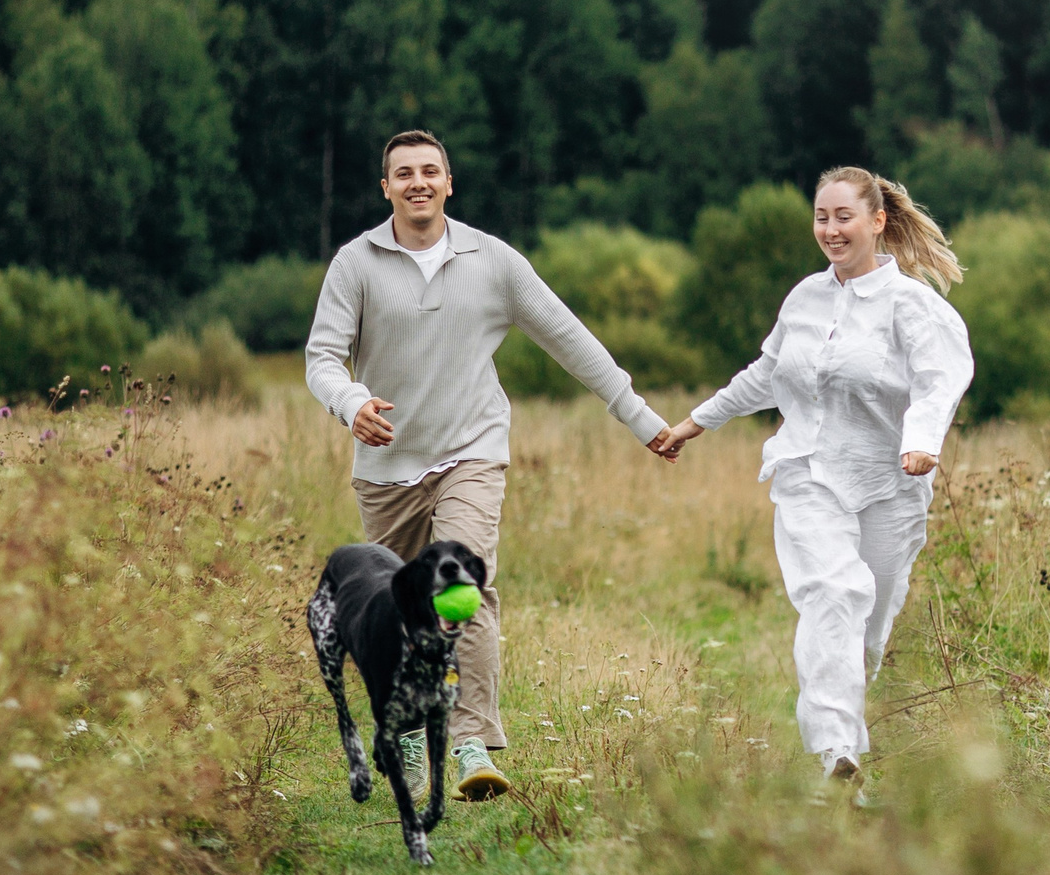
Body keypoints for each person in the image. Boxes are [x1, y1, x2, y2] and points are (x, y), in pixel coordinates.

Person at [305, 129, 676, 802]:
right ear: (386, 188)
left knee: (461, 586)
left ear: (449, 183)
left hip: (470, 452)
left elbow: (571, 340)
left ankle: (472, 741)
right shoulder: (356, 264)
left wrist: (641, 418)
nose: (418, 182)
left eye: (430, 171)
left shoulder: (493, 261)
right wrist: (351, 402)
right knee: (398, 608)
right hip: (387, 467)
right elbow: (322, 358)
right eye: (404, 174)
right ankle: (411, 733)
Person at [652, 168, 972, 785]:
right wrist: (697, 421)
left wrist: (922, 441)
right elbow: (768, 373)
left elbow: (941, 378)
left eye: (843, 217)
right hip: (807, 471)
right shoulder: (804, 298)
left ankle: (845, 733)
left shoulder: (911, 305)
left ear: (877, 221)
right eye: (821, 217)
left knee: (868, 630)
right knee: (832, 594)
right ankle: (836, 752)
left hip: (890, 482)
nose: (830, 229)